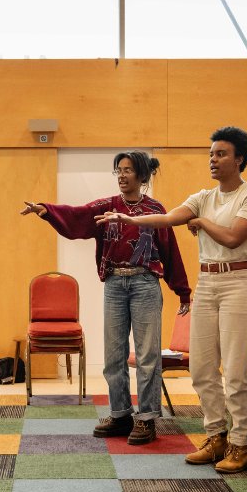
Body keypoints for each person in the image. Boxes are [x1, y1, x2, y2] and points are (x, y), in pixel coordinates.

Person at [96, 126, 247, 473]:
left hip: (242, 282)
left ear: (239, 159)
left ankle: (240, 443)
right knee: (201, 368)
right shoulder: (203, 195)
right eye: (211, 154)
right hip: (209, 281)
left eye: (220, 154)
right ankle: (216, 435)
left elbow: (234, 238)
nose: (213, 160)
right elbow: (169, 218)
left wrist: (201, 222)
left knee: (235, 371)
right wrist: (129, 217)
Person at [21, 152, 192, 445]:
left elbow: (170, 250)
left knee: (148, 355)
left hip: (145, 283)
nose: (122, 176)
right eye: (119, 171)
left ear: (141, 176)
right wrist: (46, 210)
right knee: (114, 354)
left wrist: (182, 290)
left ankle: (148, 418)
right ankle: (121, 414)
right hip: (114, 283)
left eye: (128, 171)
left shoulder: (155, 209)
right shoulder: (106, 206)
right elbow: (76, 216)